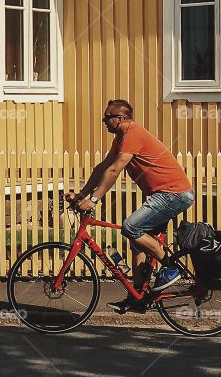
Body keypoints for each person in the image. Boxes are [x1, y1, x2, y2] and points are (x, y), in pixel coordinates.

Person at [68, 99, 194, 314]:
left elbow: (115, 170)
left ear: (120, 118)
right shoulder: (121, 138)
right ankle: (138, 297)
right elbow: (103, 167)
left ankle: (171, 268)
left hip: (172, 194)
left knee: (131, 227)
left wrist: (94, 200)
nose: (103, 120)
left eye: (107, 117)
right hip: (161, 194)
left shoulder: (133, 134)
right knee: (138, 245)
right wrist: (81, 194)